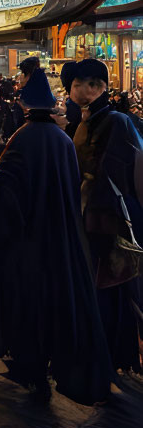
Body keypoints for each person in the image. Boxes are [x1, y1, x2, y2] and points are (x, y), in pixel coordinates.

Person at [0, 64, 111, 403]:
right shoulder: (63, 140)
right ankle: (48, 363)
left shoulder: (23, 138)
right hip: (61, 237)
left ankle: (29, 365)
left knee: (25, 303)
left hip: (26, 240)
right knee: (53, 301)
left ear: (25, 108)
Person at [67, 57, 143, 379]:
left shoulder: (115, 121)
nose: (81, 90)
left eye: (89, 84)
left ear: (102, 88)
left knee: (116, 292)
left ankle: (114, 359)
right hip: (92, 221)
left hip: (111, 224)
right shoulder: (85, 122)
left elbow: (111, 174)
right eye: (75, 84)